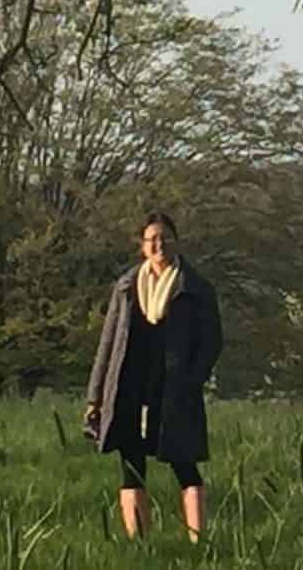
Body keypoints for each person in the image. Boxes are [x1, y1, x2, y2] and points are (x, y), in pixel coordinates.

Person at [83, 212, 223, 541]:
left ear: (176, 241)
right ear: (142, 246)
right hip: (129, 388)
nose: (159, 244)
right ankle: (138, 546)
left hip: (175, 390)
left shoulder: (197, 288)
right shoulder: (126, 286)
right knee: (131, 468)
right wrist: (95, 396)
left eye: (165, 237)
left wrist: (192, 380)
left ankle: (197, 541)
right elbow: (108, 343)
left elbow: (212, 342)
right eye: (152, 240)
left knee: (184, 464)